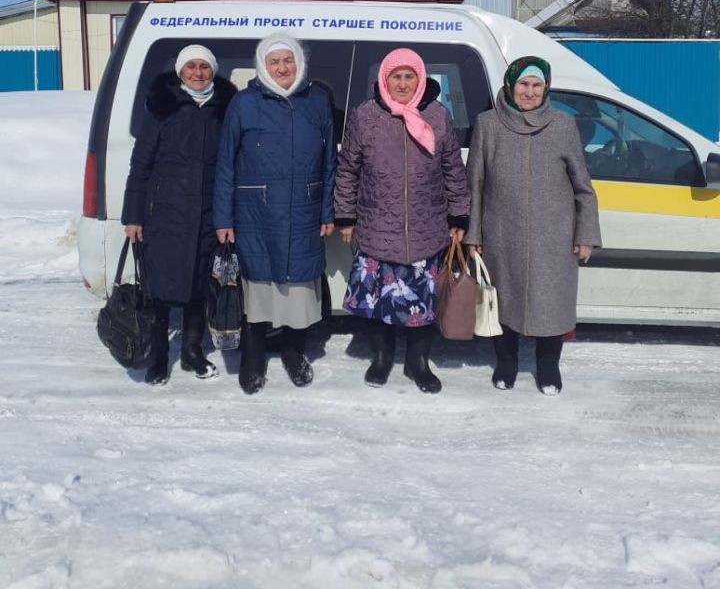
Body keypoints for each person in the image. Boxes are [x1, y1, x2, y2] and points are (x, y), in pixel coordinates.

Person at [334, 48, 470, 393]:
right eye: (397, 76)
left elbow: (453, 170)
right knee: (382, 304)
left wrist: (459, 215)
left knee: (422, 303)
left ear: (422, 79)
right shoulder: (365, 116)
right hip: (377, 226)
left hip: (427, 227)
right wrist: (346, 217)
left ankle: (417, 363)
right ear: (384, 79)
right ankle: (381, 359)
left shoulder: (438, 116)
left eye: (410, 76)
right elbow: (348, 170)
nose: (403, 83)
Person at [464, 55, 602, 395]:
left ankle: (548, 366)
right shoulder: (489, 124)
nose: (529, 92)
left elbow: (583, 187)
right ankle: (506, 363)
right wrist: (473, 233)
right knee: (502, 302)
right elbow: (475, 184)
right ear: (511, 85)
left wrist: (585, 235)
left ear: (546, 88)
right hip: (500, 234)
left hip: (554, 237)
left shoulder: (562, 125)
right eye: (523, 84)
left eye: (536, 85)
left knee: (551, 304)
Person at [214, 34, 335, 394]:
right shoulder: (244, 103)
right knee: (258, 289)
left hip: (304, 209)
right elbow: (225, 165)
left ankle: (293, 352)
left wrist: (327, 209)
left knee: (298, 289)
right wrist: (224, 218)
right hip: (255, 213)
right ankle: (252, 357)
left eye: (289, 60)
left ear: (299, 63)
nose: (282, 68)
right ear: (262, 66)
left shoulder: (316, 101)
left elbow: (331, 163)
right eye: (274, 62)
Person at [122, 45, 236, 385]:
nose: (198, 73)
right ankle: (159, 357)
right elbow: (140, 165)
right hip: (164, 215)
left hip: (207, 214)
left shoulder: (225, 109)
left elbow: (232, 165)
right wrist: (133, 215)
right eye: (191, 67)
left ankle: (190, 353)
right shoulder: (162, 107)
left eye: (204, 67)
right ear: (180, 71)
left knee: (199, 288)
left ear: (213, 71)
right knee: (160, 290)